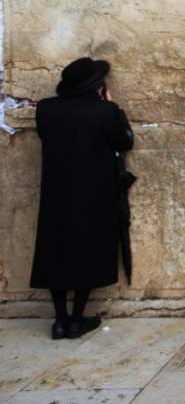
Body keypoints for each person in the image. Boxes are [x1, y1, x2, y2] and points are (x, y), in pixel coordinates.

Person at [30, 57, 134, 340]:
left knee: (56, 252)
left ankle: (60, 320)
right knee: (88, 253)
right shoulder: (104, 111)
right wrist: (115, 109)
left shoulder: (46, 109)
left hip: (56, 194)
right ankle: (77, 319)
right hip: (93, 196)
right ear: (97, 86)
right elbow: (124, 141)